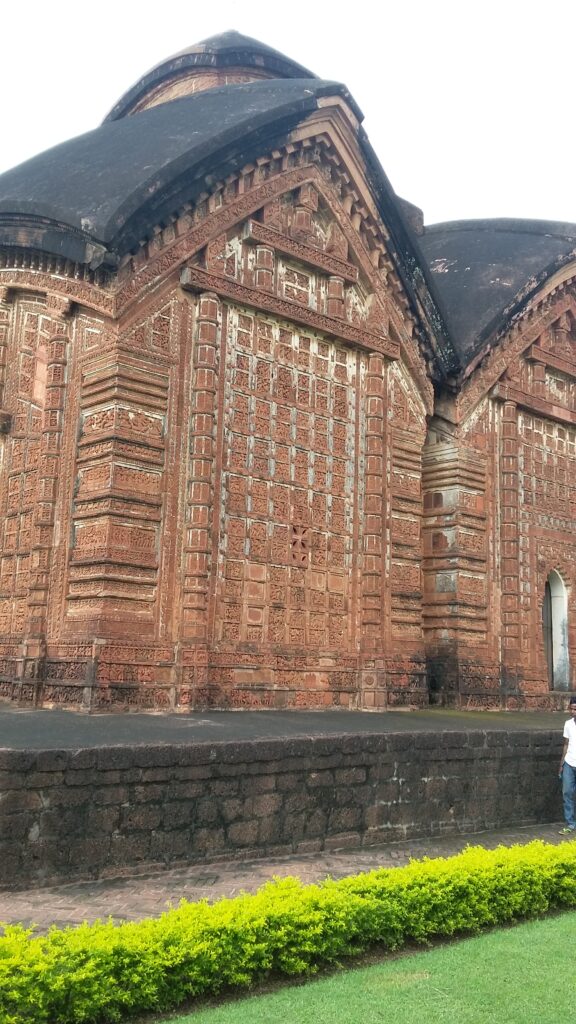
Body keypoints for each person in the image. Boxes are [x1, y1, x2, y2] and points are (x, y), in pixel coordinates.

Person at [558, 695, 576, 834]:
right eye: (571, 709)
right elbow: (566, 744)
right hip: (569, 762)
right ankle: (570, 823)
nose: (573, 712)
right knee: (567, 792)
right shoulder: (568, 724)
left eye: (575, 709)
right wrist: (561, 764)